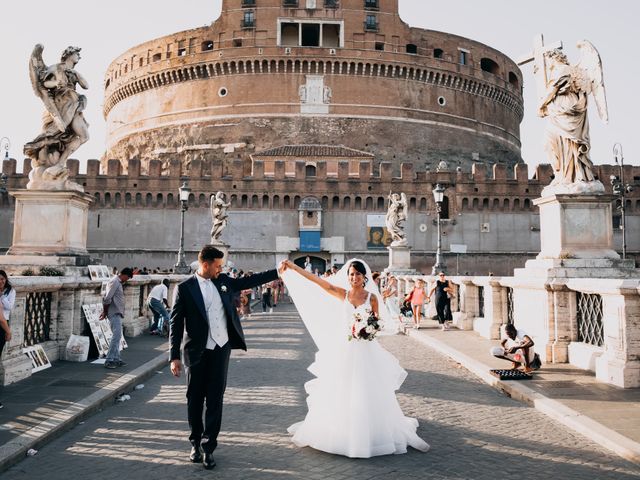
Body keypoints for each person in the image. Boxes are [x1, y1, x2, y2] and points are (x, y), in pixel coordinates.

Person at [280, 259, 429, 458]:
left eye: (357, 274)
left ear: (363, 277)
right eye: (351, 274)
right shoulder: (343, 294)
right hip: (346, 349)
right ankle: (341, 430)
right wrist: (293, 267)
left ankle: (372, 432)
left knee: (368, 389)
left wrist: (369, 330)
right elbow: (319, 282)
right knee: (342, 388)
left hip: (366, 349)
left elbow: (379, 323)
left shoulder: (372, 298)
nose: (354, 277)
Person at [169, 245, 280, 470]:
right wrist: (174, 357)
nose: (221, 269)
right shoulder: (185, 288)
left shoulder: (225, 282)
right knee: (194, 399)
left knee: (215, 400)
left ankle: (209, 448)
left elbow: (251, 281)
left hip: (221, 349)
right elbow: (175, 323)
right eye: (218, 266)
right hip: (197, 351)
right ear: (205, 264)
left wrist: (278, 270)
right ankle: (195, 444)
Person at [101, 267, 134, 369]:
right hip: (113, 312)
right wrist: (105, 311)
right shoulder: (115, 282)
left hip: (117, 312)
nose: (127, 280)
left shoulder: (118, 282)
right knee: (116, 337)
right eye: (127, 278)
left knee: (118, 336)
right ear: (124, 275)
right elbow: (107, 298)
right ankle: (109, 360)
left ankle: (116, 359)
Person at [0, 270, 16, 409]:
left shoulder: (10, 292)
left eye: (3, 279)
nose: (1, 281)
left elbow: (9, 307)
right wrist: (8, 331)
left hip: (4, 322)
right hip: (2, 324)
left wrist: (1, 296)